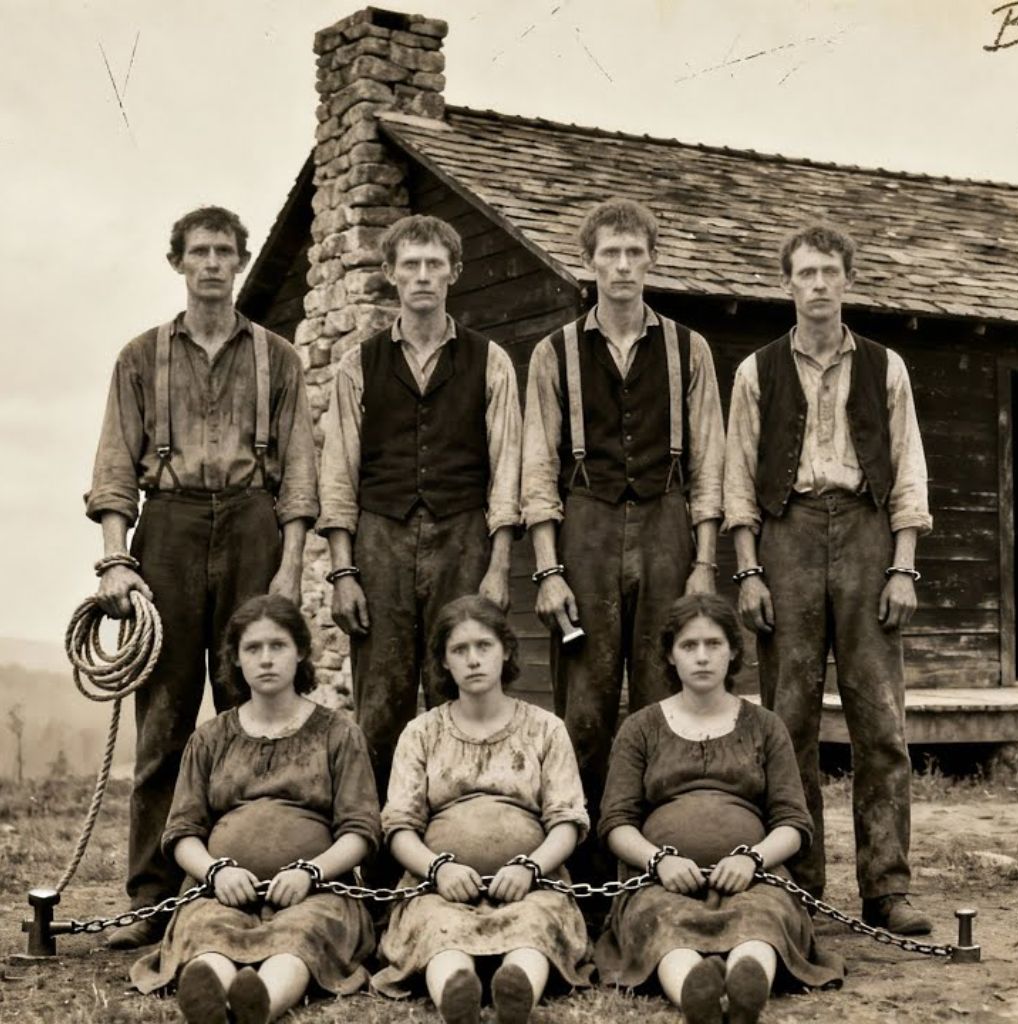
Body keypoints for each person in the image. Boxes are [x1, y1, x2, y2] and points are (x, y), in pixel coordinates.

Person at [86, 206, 319, 948]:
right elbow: (115, 470)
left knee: (254, 716)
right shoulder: (140, 357)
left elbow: (301, 484)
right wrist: (118, 558)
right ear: (179, 262)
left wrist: (288, 571)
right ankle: (150, 899)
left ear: (242, 261)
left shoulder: (278, 358)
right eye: (199, 252)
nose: (213, 263)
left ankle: (244, 880)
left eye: (225, 251)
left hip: (254, 525)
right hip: (172, 531)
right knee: (165, 727)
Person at [724, 223, 933, 935]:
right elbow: (737, 481)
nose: (817, 284)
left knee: (882, 724)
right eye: (805, 272)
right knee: (790, 723)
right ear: (787, 282)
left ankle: (887, 888)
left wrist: (903, 564)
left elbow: (908, 469)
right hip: (788, 536)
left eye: (829, 272)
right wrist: (749, 570)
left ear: (848, 280)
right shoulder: (756, 371)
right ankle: (799, 886)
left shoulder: (885, 366)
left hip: (870, 535)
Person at [521, 199, 726, 860]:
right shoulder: (554, 353)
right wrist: (549, 570)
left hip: (668, 524)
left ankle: (661, 854)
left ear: (652, 261)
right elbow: (536, 469)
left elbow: (710, 462)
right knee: (584, 706)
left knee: (665, 698)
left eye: (635, 252)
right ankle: (580, 873)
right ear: (589, 263)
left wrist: (702, 562)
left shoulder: (689, 348)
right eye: (610, 253)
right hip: (585, 527)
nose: (623, 266)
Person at [318, 214, 522, 803]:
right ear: (390, 275)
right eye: (411, 265)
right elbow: (339, 474)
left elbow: (506, 468)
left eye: (435, 264)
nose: (423, 276)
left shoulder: (492, 362)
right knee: (379, 704)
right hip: (379, 541)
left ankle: (457, 837)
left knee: (458, 691)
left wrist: (497, 564)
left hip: (464, 538)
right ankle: (378, 866)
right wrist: (343, 571)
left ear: (454, 274)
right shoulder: (359, 364)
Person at [130, 594, 380, 1024]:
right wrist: (215, 872)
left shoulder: (338, 733)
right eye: (253, 648)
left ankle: (259, 1004)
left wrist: (311, 872)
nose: (266, 659)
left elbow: (361, 830)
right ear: (236, 660)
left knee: (301, 936)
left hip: (316, 894)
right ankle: (211, 999)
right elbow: (182, 832)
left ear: (300, 651)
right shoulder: (211, 738)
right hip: (221, 891)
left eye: (278, 646)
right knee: (206, 930)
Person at [596, 595, 843, 1024]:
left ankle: (750, 987)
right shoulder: (641, 728)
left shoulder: (765, 726)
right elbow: (616, 822)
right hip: (662, 882)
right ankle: (694, 992)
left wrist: (752, 859)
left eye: (714, 644)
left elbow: (793, 821)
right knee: (661, 922)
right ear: (671, 656)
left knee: (763, 918)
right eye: (689, 646)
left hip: (754, 878)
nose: (703, 656)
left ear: (733, 651)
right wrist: (659, 861)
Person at [371, 595, 592, 1024]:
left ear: (505, 650)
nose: (473, 660)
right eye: (459, 650)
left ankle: (517, 992)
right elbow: (399, 826)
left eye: (484, 646)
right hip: (437, 886)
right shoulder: (421, 733)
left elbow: (567, 820)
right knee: (438, 928)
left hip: (531, 884)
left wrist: (530, 867)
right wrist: (438, 870)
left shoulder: (546, 729)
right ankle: (457, 997)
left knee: (535, 924)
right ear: (444, 662)